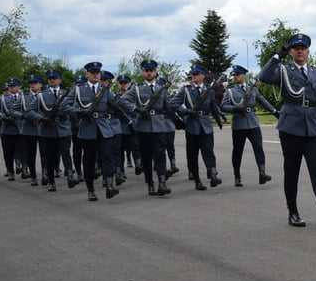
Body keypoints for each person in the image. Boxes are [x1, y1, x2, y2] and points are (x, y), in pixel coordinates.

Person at [257, 33, 316, 227]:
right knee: (292, 170)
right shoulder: (283, 70)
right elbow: (264, 77)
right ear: (291, 52)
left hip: (312, 128)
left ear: (308, 51)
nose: (300, 51)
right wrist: (278, 56)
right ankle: (293, 212)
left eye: (303, 48)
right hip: (290, 127)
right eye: (296, 48)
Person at [68, 61, 132, 200]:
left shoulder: (104, 90)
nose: (96, 75)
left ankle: (109, 185)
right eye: (93, 72)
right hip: (87, 128)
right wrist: (79, 111)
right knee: (89, 160)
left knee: (107, 156)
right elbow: (65, 106)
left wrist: (128, 120)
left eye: (98, 72)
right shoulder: (78, 89)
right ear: (87, 74)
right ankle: (90, 189)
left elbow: (114, 107)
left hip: (104, 128)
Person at [120, 60, 179, 196]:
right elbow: (123, 101)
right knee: (146, 156)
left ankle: (162, 183)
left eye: (151, 70)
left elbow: (168, 105)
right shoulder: (137, 88)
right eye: (146, 71)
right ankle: (150, 183)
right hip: (144, 126)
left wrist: (179, 119)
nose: (149, 73)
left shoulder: (161, 88)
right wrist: (137, 110)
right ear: (143, 73)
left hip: (160, 125)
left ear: (155, 72)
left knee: (160, 154)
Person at [220, 64, 279, 187]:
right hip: (239, 125)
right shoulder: (230, 91)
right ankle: (237, 176)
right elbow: (223, 106)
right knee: (238, 151)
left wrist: (274, 112)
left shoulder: (252, 89)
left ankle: (262, 173)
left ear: (244, 76)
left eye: (237, 75)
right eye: (234, 75)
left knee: (258, 148)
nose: (235, 77)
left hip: (253, 123)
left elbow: (262, 100)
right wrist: (236, 109)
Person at [172, 66, 224, 191]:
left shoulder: (209, 90)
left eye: (197, 74)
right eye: (192, 74)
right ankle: (197, 180)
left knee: (209, 151)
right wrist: (186, 112)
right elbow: (173, 104)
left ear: (203, 76)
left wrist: (219, 118)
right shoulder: (186, 90)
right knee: (192, 154)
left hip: (206, 124)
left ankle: (212, 175)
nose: (194, 76)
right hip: (192, 125)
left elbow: (212, 106)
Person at [35, 69, 78, 191]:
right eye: (50, 79)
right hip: (48, 129)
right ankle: (51, 181)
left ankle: (70, 176)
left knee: (66, 153)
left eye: (55, 78)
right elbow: (30, 111)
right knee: (50, 156)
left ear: (59, 80)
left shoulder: (66, 94)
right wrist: (42, 119)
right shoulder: (41, 96)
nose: (52, 80)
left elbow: (73, 108)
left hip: (64, 126)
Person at [0, 78, 24, 180]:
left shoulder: (23, 98)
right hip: (7, 128)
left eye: (14, 86)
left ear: (19, 87)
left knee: (22, 149)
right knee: (8, 151)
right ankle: (10, 171)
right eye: (10, 86)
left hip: (20, 128)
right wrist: (3, 118)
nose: (12, 88)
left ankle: (21, 166)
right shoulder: (3, 99)